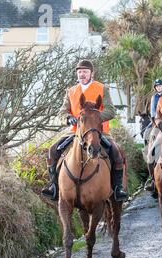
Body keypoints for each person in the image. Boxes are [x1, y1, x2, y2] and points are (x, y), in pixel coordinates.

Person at [41, 59, 128, 202]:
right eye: (80, 72)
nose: (82, 74)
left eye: (85, 72)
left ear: (91, 73)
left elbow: (111, 110)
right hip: (75, 131)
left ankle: (118, 188)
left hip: (99, 131)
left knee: (116, 153)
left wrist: (94, 118)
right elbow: (62, 111)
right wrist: (69, 118)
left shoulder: (101, 88)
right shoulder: (71, 91)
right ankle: (54, 186)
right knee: (52, 150)